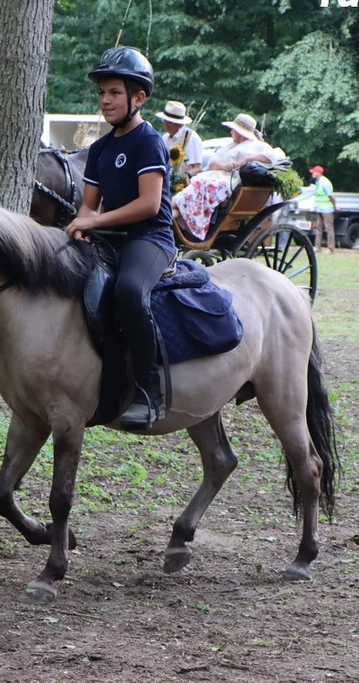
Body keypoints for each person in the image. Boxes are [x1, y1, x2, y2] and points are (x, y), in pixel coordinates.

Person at [65, 47, 173, 431]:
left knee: (128, 291)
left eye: (114, 93)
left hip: (150, 238)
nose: (105, 101)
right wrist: (78, 226)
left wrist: (94, 222)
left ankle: (150, 393)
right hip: (109, 239)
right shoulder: (100, 149)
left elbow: (148, 204)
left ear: (138, 98)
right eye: (102, 93)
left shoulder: (149, 142)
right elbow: (88, 205)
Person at [170, 113, 278, 241]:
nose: (231, 132)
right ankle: (175, 209)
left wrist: (247, 160)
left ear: (240, 132)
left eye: (234, 129)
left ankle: (174, 210)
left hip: (229, 181)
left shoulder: (256, 145)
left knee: (202, 184)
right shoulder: (229, 146)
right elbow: (212, 163)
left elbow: (272, 157)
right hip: (215, 175)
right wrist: (224, 165)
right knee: (194, 182)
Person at [155, 101, 205, 176]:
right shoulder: (165, 137)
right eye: (164, 120)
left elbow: (197, 168)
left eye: (168, 122)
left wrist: (182, 180)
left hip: (185, 183)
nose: (164, 123)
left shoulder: (190, 137)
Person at [310, 165, 338, 253]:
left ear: (319, 173)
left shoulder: (325, 183)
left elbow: (331, 196)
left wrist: (335, 205)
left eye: (314, 172)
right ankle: (317, 247)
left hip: (327, 209)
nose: (312, 173)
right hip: (320, 209)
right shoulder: (318, 182)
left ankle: (330, 248)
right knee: (318, 228)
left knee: (329, 228)